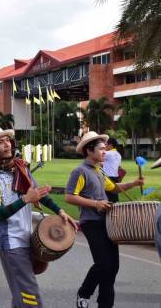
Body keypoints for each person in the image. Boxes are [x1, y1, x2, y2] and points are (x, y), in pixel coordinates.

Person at [0, 125, 76, 308]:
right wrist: (25, 199)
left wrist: (61, 211)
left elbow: (40, 195)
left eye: (7, 140)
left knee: (21, 295)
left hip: (27, 238)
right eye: (0, 143)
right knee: (30, 297)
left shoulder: (21, 169)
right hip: (11, 243)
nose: (7, 145)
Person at [65, 131, 143, 308]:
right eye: (100, 149)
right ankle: (84, 293)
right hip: (91, 223)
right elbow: (70, 196)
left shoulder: (99, 170)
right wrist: (95, 204)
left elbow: (114, 188)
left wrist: (134, 183)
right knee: (103, 263)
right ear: (89, 151)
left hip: (108, 222)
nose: (104, 152)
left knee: (113, 266)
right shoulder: (80, 171)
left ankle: (105, 304)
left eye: (104, 148)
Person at [103, 138, 122, 203]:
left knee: (107, 199)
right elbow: (119, 167)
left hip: (108, 178)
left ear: (110, 145)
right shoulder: (119, 155)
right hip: (116, 178)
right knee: (114, 198)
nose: (105, 146)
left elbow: (95, 154)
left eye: (106, 145)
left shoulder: (108, 153)